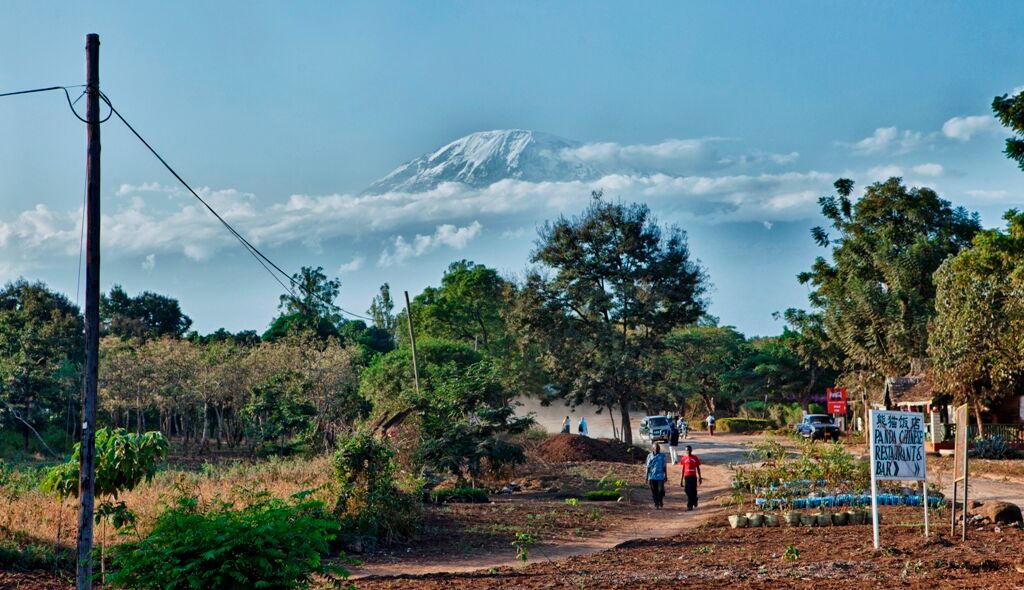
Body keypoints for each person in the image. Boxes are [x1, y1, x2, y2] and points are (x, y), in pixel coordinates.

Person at [678, 445, 703, 510]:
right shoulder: (684, 458)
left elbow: (698, 468)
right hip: (687, 476)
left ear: (691, 450)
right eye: (687, 450)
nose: (688, 451)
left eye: (689, 450)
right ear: (685, 451)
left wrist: (700, 477)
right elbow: (683, 469)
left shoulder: (695, 458)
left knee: (693, 491)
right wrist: (681, 480)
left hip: (693, 477)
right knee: (687, 490)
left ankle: (690, 506)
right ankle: (694, 499)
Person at [646, 443, 667, 509]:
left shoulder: (662, 456)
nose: (658, 449)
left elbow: (664, 466)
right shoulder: (649, 456)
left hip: (660, 476)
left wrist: (666, 475)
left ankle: (660, 500)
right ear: (653, 449)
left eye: (659, 448)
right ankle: (656, 503)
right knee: (654, 491)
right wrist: (646, 477)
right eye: (656, 448)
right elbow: (648, 467)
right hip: (652, 476)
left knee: (661, 490)